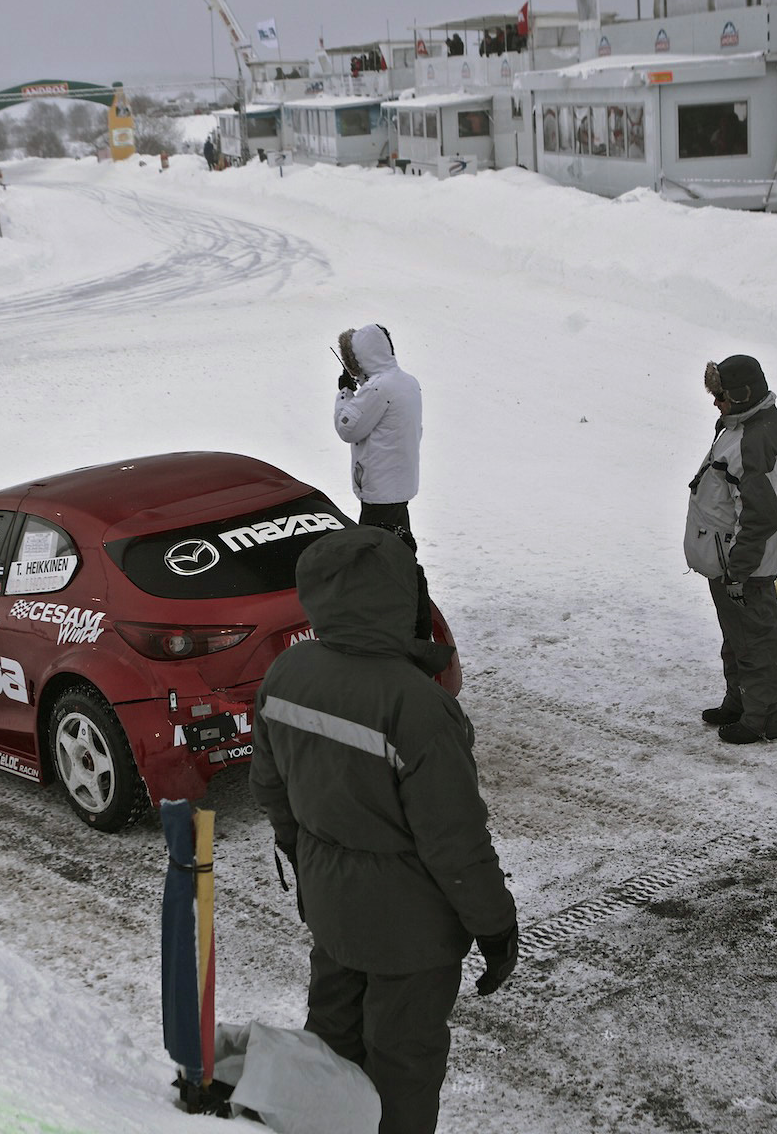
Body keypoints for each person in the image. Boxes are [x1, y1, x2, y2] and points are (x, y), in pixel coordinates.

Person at [252, 527, 517, 1134]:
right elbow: (453, 840)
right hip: (411, 933)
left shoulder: (286, 673)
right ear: (400, 596)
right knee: (403, 1066)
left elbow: (272, 791)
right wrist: (495, 926)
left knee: (330, 1046)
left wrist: (310, 861)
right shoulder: (416, 705)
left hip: (332, 908)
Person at [688, 355, 777, 744]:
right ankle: (741, 702)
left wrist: (740, 569)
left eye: (720, 395)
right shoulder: (748, 425)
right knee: (737, 641)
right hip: (731, 561)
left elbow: (760, 515)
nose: (715, 403)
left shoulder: (757, 438)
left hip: (744, 566)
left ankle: (765, 718)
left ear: (742, 393)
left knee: (755, 642)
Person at [334, 325, 421, 552]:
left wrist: (345, 393)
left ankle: (390, 585)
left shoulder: (378, 389)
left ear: (361, 358)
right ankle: (408, 584)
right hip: (400, 483)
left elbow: (348, 429)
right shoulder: (407, 382)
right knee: (399, 547)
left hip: (380, 488)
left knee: (376, 556)